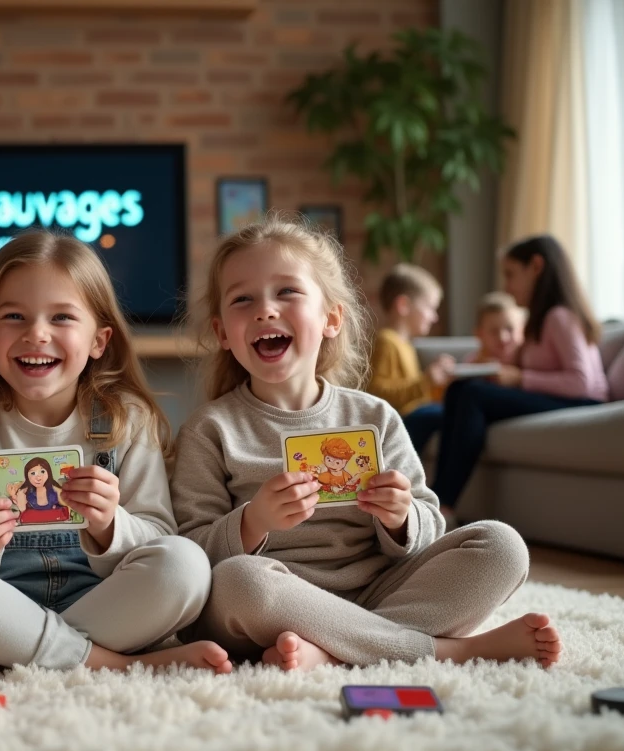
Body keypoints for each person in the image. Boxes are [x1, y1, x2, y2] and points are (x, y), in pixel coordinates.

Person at [172, 214, 561, 672]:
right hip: (273, 597)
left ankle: (334, 650)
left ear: (331, 318)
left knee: (502, 546)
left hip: (378, 592)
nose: (265, 310)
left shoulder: (374, 417)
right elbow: (191, 553)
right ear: (222, 332)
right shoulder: (209, 429)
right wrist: (253, 521)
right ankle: (447, 652)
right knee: (241, 582)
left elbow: (429, 526)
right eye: (243, 299)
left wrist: (400, 518)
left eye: (287, 291)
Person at [0, 230, 228, 682]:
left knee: (186, 564)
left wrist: (110, 524)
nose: (37, 333)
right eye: (14, 316)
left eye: (61, 317)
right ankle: (111, 664)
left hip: (98, 603)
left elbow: (159, 534)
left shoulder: (127, 419)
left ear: (99, 341)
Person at [432, 235, 608, 518]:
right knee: (459, 390)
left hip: (585, 403)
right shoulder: (539, 321)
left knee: (472, 394)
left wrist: (520, 378)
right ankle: (436, 503)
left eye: (510, 274)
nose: (507, 286)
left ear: (536, 266)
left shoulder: (559, 316)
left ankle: (444, 507)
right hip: (554, 398)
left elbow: (581, 383)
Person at [366, 263, 453, 453]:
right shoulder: (387, 342)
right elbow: (377, 393)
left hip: (412, 416)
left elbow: (415, 393)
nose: (435, 317)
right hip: (401, 420)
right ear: (403, 305)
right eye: (430, 308)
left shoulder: (406, 345)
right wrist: (426, 381)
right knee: (446, 414)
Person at [467, 291, 525, 365]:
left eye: (510, 329)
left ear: (523, 330)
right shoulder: (474, 364)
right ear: (479, 334)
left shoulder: (533, 363)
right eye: (494, 331)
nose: (503, 338)